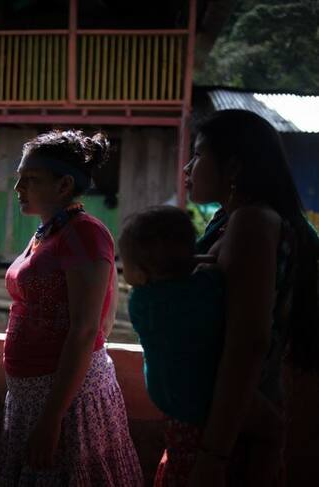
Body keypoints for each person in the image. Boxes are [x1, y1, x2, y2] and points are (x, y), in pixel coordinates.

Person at [159, 109, 319, 487]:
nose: (188, 167)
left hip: (227, 428)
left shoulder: (252, 222)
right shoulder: (232, 220)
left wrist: (213, 455)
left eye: (198, 155)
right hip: (225, 418)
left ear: (233, 167)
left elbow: (247, 343)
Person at [0, 130, 143, 486]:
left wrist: (52, 417)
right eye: (19, 178)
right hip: (33, 394)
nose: (18, 188)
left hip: (65, 401)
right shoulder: (48, 233)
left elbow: (88, 328)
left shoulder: (85, 234)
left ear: (63, 185)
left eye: (30, 179)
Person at [119, 205, 284, 487]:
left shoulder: (141, 305)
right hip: (214, 399)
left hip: (179, 406)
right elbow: (214, 272)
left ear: (143, 273)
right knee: (273, 430)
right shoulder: (207, 286)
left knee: (184, 467)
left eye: (126, 264)